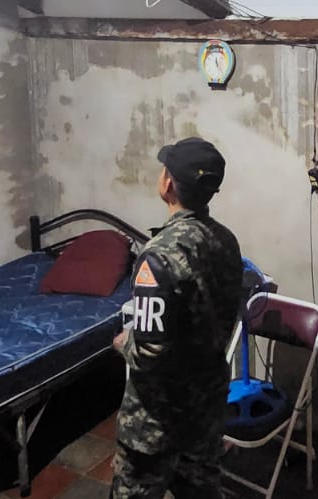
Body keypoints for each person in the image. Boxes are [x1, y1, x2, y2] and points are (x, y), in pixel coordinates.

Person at [111, 137, 243, 499]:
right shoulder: (225, 240)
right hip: (205, 408)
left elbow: (150, 352)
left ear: (168, 183)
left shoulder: (159, 255)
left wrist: (124, 343)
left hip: (156, 422)